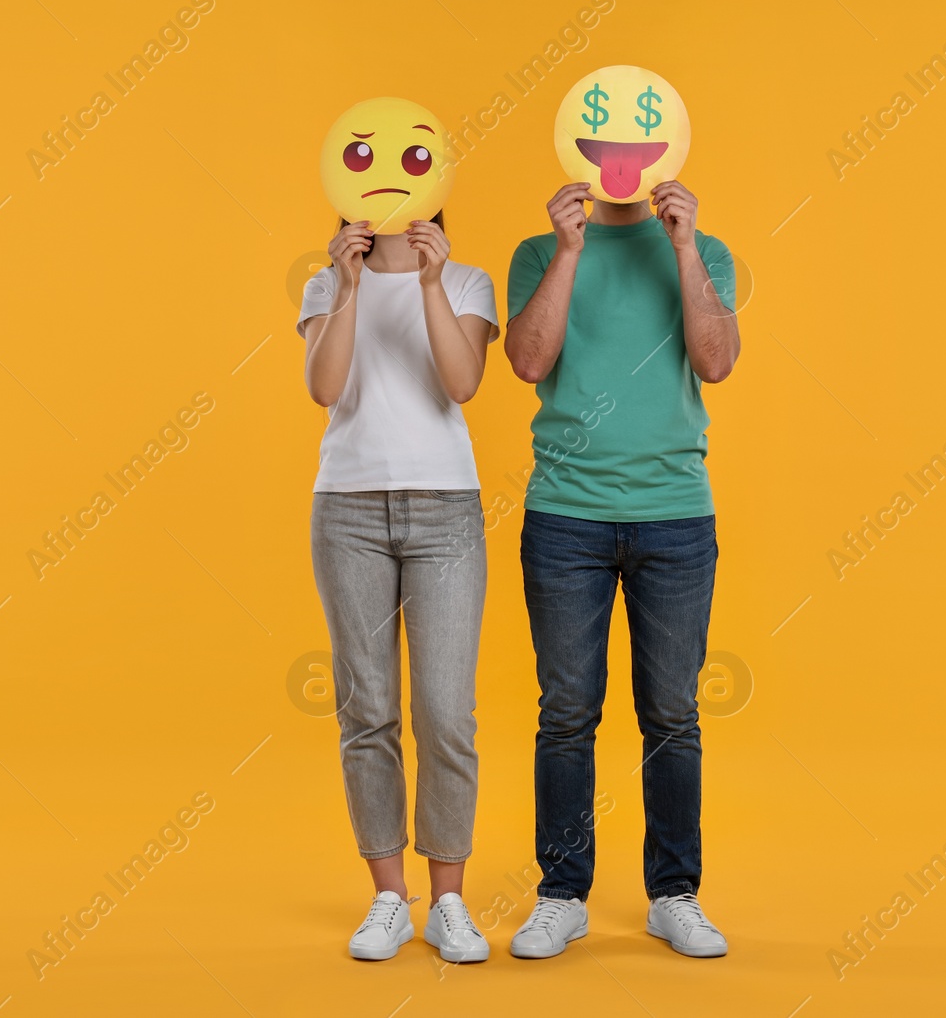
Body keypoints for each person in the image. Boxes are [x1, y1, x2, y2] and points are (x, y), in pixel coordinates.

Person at [503, 178, 740, 959]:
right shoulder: (539, 251)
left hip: (675, 512)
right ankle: (562, 894)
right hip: (566, 514)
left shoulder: (703, 251)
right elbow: (528, 361)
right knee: (567, 711)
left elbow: (718, 361)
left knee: (672, 711)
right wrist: (570, 251)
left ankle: (674, 893)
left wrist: (681, 246)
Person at [299, 209, 498, 963]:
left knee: (446, 710)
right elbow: (324, 387)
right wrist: (347, 285)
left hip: (446, 507)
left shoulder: (466, 278)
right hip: (347, 509)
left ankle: (449, 898)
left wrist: (431, 280)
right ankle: (389, 896)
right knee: (368, 708)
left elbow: (462, 381)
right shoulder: (325, 281)